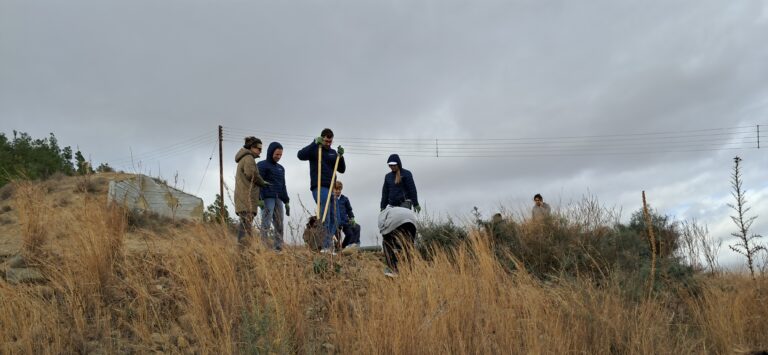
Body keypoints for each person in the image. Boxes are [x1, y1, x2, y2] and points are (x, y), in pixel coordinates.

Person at [297, 128, 346, 253]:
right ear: (322, 138)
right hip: (319, 187)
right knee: (326, 214)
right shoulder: (315, 149)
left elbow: (341, 169)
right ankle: (325, 246)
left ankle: (327, 243)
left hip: (331, 188)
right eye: (326, 141)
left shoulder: (333, 153)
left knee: (336, 218)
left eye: (330, 141)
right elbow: (300, 155)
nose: (328, 143)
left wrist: (341, 156)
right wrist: (314, 143)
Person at [234, 136, 268, 243]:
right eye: (259, 149)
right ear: (251, 147)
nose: (260, 152)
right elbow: (251, 174)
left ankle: (244, 251)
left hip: (243, 198)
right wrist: (262, 182)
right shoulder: (249, 158)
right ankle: (243, 252)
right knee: (245, 227)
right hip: (246, 199)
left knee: (245, 226)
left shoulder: (244, 158)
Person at [257, 142, 289, 251]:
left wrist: (287, 201)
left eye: (280, 155)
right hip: (267, 198)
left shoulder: (281, 168)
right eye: (277, 154)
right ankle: (264, 247)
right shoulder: (261, 165)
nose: (279, 157)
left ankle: (278, 247)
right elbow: (257, 183)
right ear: (271, 152)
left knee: (279, 223)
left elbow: (283, 185)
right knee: (266, 222)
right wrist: (259, 199)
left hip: (279, 198)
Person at [378, 206, 418, 277]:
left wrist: (385, 235)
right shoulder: (403, 209)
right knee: (408, 246)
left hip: (395, 220)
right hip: (412, 222)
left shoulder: (383, 212)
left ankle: (392, 269)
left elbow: (381, 226)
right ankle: (411, 271)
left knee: (386, 242)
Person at [333, 181, 360, 251]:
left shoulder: (345, 199)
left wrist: (352, 218)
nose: (338, 191)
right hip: (336, 222)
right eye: (336, 189)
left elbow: (349, 210)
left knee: (350, 234)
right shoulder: (331, 199)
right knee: (336, 237)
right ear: (333, 189)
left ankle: (344, 247)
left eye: (339, 189)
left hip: (345, 221)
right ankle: (337, 249)